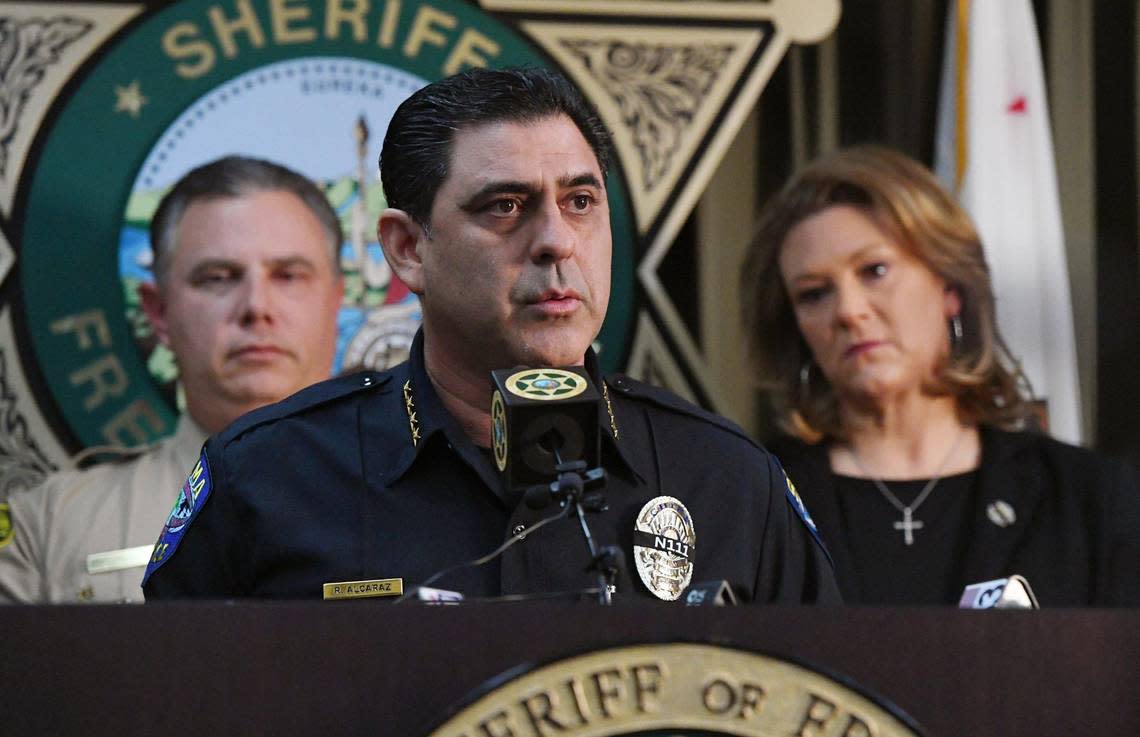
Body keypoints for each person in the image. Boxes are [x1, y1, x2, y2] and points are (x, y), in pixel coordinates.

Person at [142, 67, 839, 604]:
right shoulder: (267, 477)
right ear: (409, 248)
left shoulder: (726, 478)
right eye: (505, 206)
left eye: (580, 201)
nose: (556, 241)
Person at [742, 144, 1140, 606]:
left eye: (874, 271)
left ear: (950, 287)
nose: (849, 311)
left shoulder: (1086, 498)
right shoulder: (759, 500)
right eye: (814, 294)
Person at [0, 156, 344, 603]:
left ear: (337, 300)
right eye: (218, 278)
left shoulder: (441, 503)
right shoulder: (47, 526)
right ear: (159, 313)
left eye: (288, 276)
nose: (257, 307)